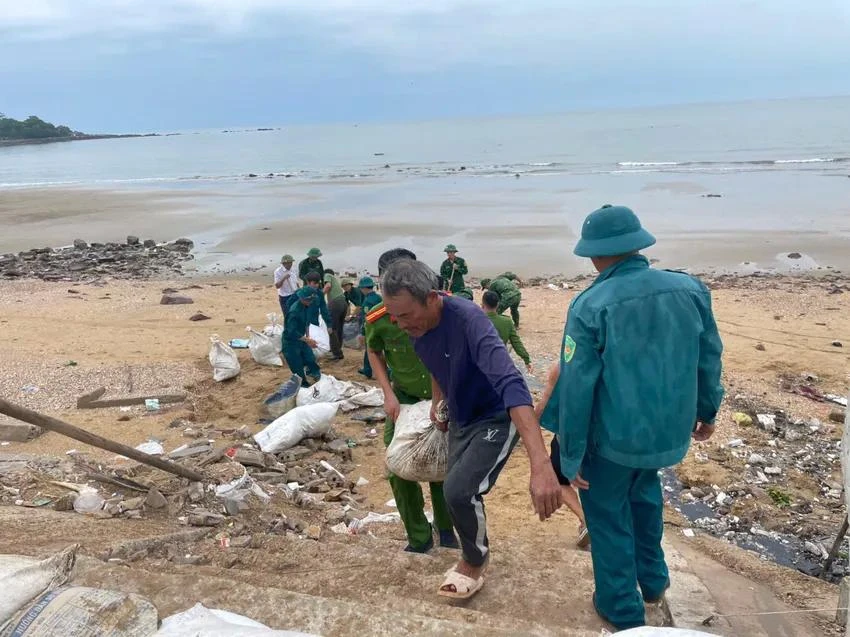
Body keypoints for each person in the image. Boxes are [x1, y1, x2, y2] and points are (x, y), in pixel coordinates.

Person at [541, 204, 724, 630]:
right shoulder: (690, 289)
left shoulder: (590, 305)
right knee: (644, 496)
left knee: (607, 519)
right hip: (666, 436)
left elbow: (577, 384)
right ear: (639, 245)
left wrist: (571, 456)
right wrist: (707, 410)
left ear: (593, 255)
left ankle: (621, 608)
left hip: (612, 441)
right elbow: (709, 356)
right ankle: (654, 582)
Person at [381, 258, 562, 600]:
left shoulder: (470, 321)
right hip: (461, 416)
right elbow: (436, 363)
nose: (398, 323)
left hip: (496, 415)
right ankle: (471, 548)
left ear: (432, 298)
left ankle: (474, 561)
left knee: (458, 491)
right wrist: (439, 402)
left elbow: (513, 385)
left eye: (405, 315)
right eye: (394, 315)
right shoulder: (417, 328)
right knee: (455, 489)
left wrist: (540, 465)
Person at [366, 248, 458, 553]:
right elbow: (373, 351)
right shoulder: (378, 318)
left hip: (443, 397)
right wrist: (387, 394)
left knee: (442, 465)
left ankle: (446, 529)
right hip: (403, 401)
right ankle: (418, 537)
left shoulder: (439, 307)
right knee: (398, 469)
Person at [534, 361, 589, 549]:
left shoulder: (562, 366)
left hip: (568, 439)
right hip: (604, 441)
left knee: (558, 479)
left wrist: (529, 428)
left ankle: (585, 519)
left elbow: (544, 405)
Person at [480, 290, 532, 373]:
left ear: (482, 304)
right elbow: (516, 342)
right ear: (497, 305)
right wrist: (526, 359)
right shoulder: (507, 321)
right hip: (499, 361)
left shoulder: (477, 321)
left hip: (480, 363)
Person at [281, 287, 322, 386]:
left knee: (310, 358)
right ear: (302, 299)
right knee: (297, 365)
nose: (310, 302)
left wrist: (308, 338)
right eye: (308, 300)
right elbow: (292, 332)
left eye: (311, 300)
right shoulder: (294, 312)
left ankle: (315, 373)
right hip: (290, 342)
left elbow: (306, 323)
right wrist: (307, 340)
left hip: (302, 338)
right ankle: (303, 384)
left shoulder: (307, 306)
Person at [357, 276, 382, 379]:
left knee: (370, 350)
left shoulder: (367, 302)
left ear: (364, 288)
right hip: (380, 327)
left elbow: (366, 319)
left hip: (371, 329)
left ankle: (368, 370)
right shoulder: (378, 298)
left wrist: (363, 333)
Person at [323, 268, 348, 361]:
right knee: (339, 328)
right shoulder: (336, 281)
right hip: (343, 303)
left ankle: (336, 353)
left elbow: (328, 286)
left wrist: (320, 295)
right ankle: (338, 349)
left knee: (331, 328)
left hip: (335, 303)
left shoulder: (327, 275)